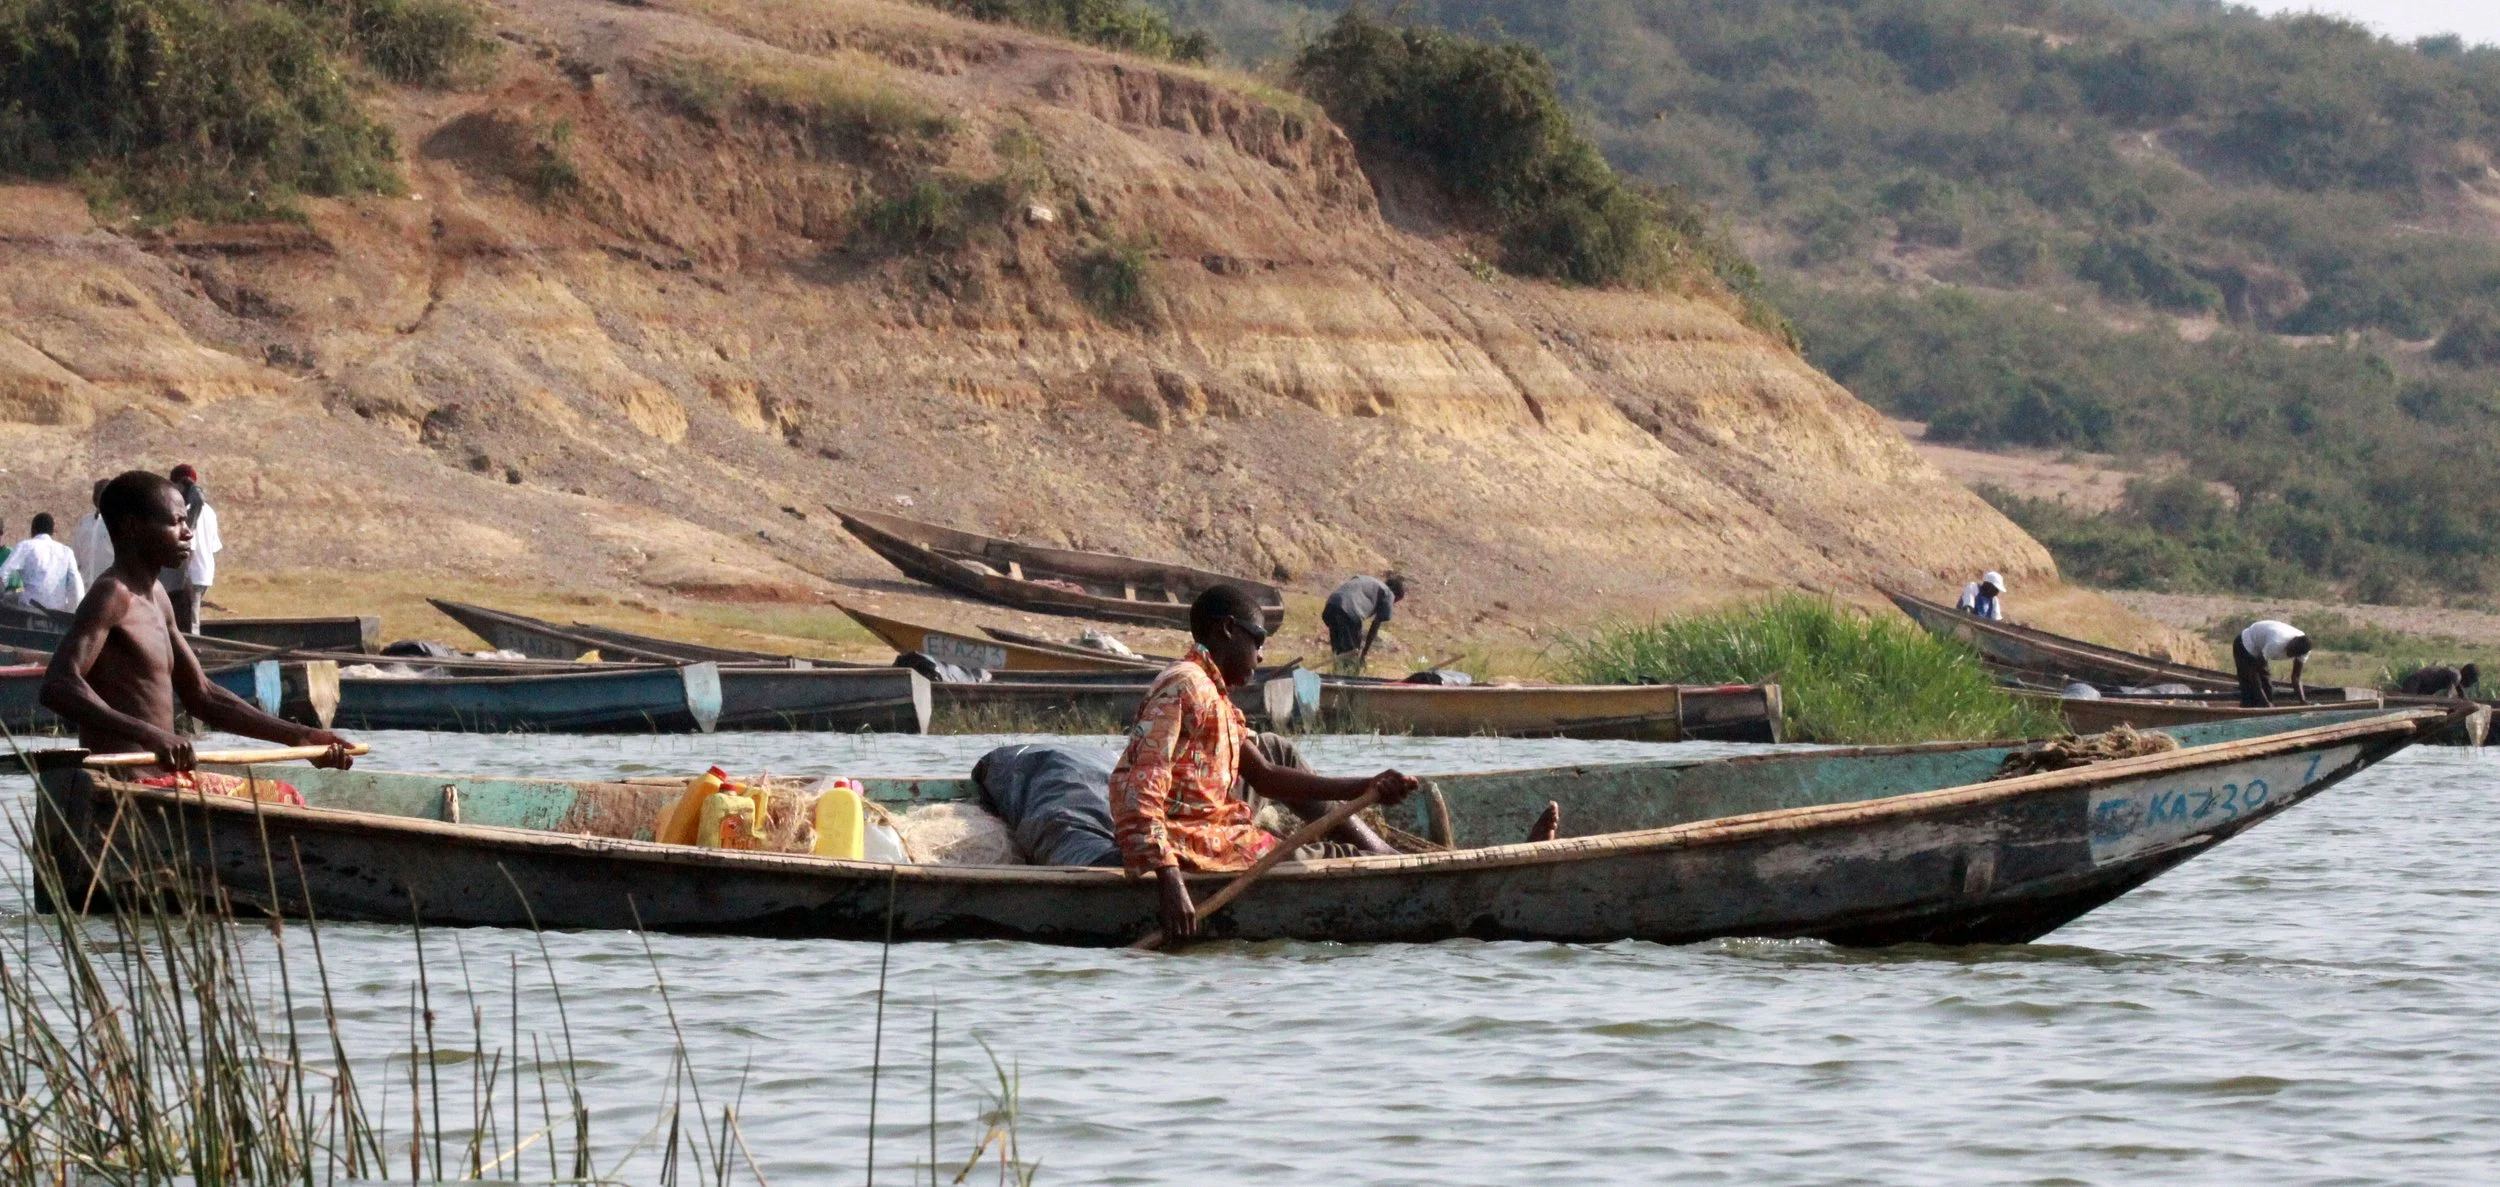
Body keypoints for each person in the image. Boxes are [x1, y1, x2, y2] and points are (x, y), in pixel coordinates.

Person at [1111, 584, 1418, 939]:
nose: (1260, 656)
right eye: (1258, 640)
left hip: (1211, 829)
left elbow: (1267, 776)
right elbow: (1138, 785)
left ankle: (1381, 853)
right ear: (1227, 629)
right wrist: (1169, 877)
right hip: (1188, 842)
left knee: (1278, 757)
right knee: (1337, 857)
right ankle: (1379, 863)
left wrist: (1366, 786)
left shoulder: (1215, 695)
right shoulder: (1186, 686)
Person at [39, 470, 352, 775]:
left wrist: (300, 737)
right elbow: (59, 685)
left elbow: (203, 696)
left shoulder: (159, 598)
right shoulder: (111, 596)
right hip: (126, 785)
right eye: (176, 522)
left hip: (165, 781)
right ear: (132, 527)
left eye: (186, 521)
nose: (187, 532)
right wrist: (149, 734)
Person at [159, 464, 219, 633]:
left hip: (189, 575)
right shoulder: (210, 512)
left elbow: (189, 548)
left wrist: (183, 577)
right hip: (204, 573)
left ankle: (193, 655)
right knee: (192, 620)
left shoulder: (184, 512)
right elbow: (214, 546)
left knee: (187, 624)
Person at [0, 513, 85, 615]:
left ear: (32, 530)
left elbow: (3, 574)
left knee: (10, 596)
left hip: (28, 612)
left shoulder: (25, 546)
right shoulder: (67, 552)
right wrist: (69, 613)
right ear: (52, 532)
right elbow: (76, 587)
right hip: (57, 614)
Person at [1323, 571, 1408, 673]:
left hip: (1331, 606)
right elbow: (1375, 625)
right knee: (1351, 656)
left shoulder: (1367, 580)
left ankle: (1336, 680)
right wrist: (1364, 654)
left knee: (1339, 654)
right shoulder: (1388, 593)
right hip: (1348, 612)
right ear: (1396, 596)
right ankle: (1349, 684)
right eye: (1395, 602)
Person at [2233, 619, 2311, 708]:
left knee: (2268, 689)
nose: (2289, 654)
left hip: (2260, 650)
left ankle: (2264, 712)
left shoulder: (2304, 650)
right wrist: (2266, 703)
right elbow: (2254, 673)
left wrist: (2303, 701)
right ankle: (2246, 713)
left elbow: (2296, 677)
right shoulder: (2276, 642)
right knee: (2249, 687)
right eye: (2290, 650)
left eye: (2293, 654)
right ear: (2293, 640)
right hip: (2245, 644)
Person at [69, 479, 113, 586]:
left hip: (109, 588)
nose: (100, 498)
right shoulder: (85, 522)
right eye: (97, 493)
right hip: (86, 589)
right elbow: (76, 558)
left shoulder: (117, 523)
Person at [2399, 663, 2480, 699]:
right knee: (2405, 705)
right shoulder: (2457, 676)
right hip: (2415, 683)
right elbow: (2448, 696)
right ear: (2468, 678)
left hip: (2416, 684)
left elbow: (2461, 694)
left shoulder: (2455, 677)